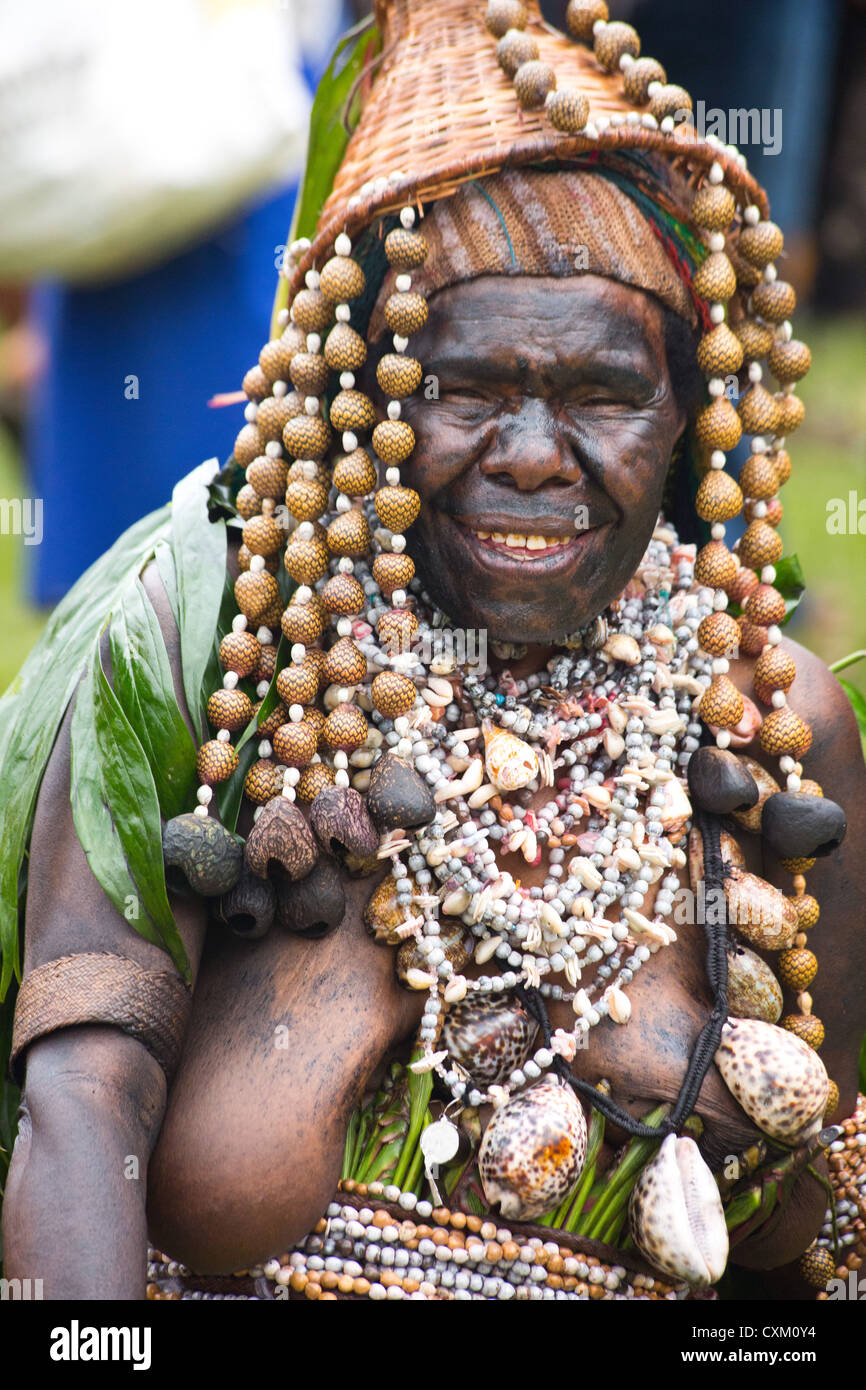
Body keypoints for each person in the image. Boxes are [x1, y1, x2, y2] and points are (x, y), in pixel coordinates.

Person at [3, 0, 865, 1302]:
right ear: (361, 408)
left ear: (686, 416)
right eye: (467, 390)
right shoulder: (229, 680)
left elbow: (798, 1242)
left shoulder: (763, 724)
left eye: (601, 396)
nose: (529, 456)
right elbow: (80, 1099)